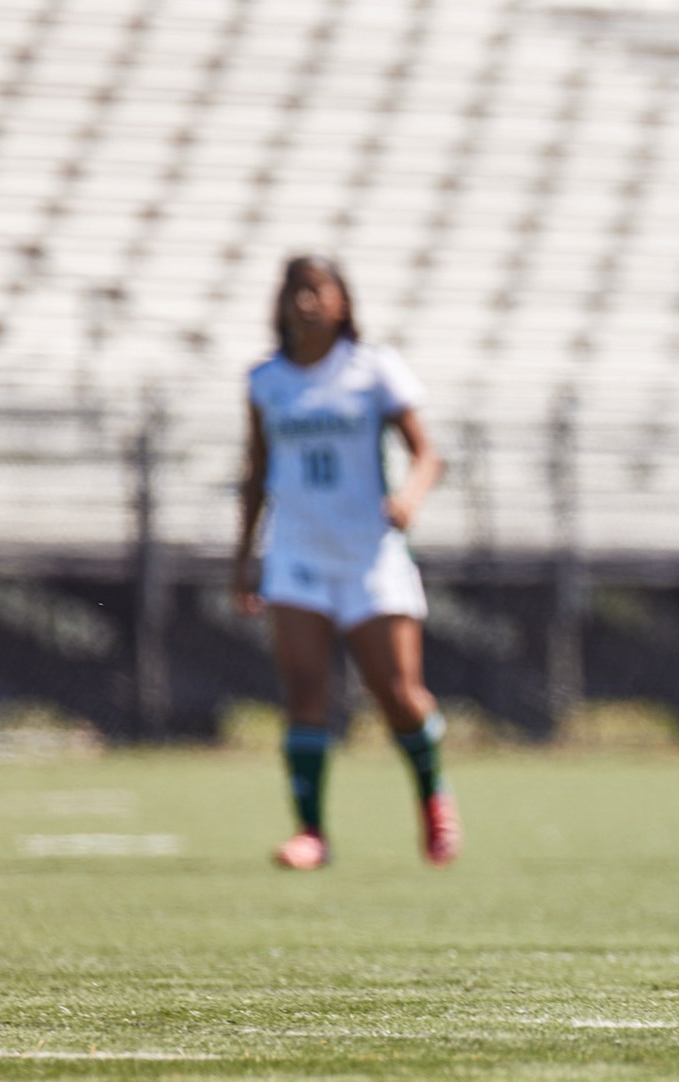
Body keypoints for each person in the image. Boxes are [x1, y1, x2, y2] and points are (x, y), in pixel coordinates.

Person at [233, 254, 460, 871]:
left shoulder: (372, 370)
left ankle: (433, 797)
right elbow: (255, 474)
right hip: (297, 554)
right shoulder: (266, 381)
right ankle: (311, 831)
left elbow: (427, 454)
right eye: (294, 291)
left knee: (397, 695)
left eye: (317, 290)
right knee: (306, 691)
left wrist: (409, 498)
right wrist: (243, 558)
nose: (304, 302)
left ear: (342, 302)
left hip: (369, 553)